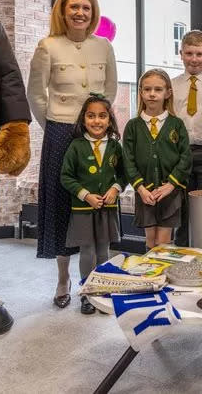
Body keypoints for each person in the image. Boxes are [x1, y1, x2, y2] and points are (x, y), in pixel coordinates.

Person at [27, 0, 118, 308]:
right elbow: (36, 96)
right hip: (60, 132)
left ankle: (96, 280)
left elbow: (109, 91)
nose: (80, 13)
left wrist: (97, 125)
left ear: (93, 13)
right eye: (74, 7)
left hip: (95, 132)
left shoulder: (103, 46)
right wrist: (54, 126)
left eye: (86, 8)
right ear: (63, 11)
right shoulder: (48, 46)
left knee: (95, 207)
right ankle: (64, 278)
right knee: (61, 207)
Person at [60, 94, 126, 315]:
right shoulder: (76, 146)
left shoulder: (116, 146)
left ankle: (103, 291)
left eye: (102, 116)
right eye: (91, 116)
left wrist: (115, 189)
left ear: (109, 120)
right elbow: (66, 177)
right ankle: (87, 294)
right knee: (87, 251)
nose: (96, 121)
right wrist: (85, 194)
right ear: (83, 119)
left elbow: (124, 174)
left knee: (103, 251)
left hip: (106, 209)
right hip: (83, 210)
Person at [123, 69, 193, 250]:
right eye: (147, 89)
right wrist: (140, 188)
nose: (152, 94)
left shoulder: (176, 124)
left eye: (158, 89)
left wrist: (170, 185)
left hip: (170, 193)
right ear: (141, 92)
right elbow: (128, 160)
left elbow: (185, 157)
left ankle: (163, 277)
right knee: (150, 241)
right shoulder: (133, 126)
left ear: (167, 93)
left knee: (163, 243)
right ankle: (150, 277)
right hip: (144, 192)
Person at [170, 30, 202, 246]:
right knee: (182, 207)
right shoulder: (171, 85)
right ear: (181, 53)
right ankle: (182, 250)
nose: (194, 59)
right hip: (180, 154)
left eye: (199, 54)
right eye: (189, 53)